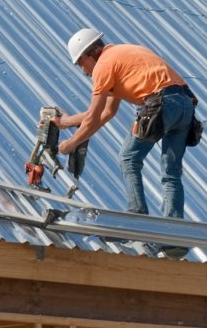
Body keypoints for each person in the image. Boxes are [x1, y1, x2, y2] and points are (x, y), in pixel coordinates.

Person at [55, 28, 196, 220]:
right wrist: (64, 122)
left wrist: (69, 144)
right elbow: (106, 112)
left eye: (81, 62)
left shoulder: (103, 66)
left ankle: (137, 212)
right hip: (185, 104)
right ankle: (174, 225)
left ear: (92, 53)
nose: (83, 70)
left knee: (128, 157)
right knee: (171, 171)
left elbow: (94, 117)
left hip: (160, 104)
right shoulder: (123, 55)